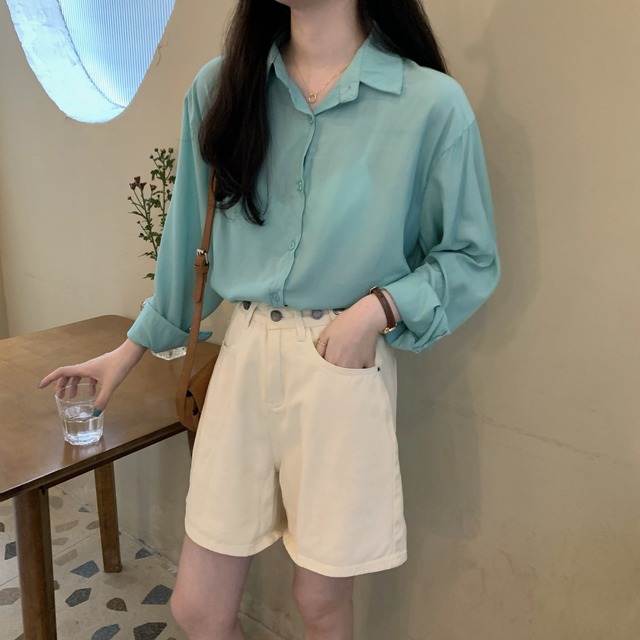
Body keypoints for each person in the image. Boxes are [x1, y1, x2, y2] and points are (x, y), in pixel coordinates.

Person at [40, 0, 500, 638]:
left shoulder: (429, 104)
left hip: (341, 360)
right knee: (198, 607)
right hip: (247, 352)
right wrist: (127, 352)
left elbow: (470, 256)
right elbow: (187, 244)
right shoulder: (222, 87)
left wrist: (377, 310)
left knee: (320, 602)